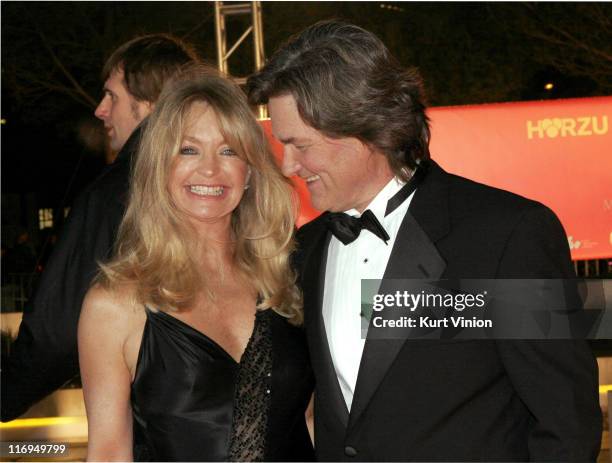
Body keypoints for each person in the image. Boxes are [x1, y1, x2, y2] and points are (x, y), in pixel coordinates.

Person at [247, 20, 602, 461]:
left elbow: (567, 420)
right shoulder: (306, 250)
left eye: (299, 145)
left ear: (363, 128)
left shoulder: (508, 234)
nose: (288, 166)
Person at [78, 69, 314, 462]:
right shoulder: (115, 304)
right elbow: (108, 453)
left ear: (251, 170)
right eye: (188, 150)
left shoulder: (289, 279)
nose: (209, 170)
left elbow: (310, 421)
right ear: (159, 167)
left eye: (228, 151)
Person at [1, 34, 199, 421]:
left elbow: (56, 332)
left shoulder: (117, 193)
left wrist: (6, 395)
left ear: (149, 104)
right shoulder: (231, 182)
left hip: (160, 426)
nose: (99, 110)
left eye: (112, 96)